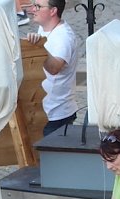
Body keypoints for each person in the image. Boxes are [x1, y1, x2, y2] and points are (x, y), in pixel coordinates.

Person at [25, 0, 79, 136]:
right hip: (43, 110)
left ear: (53, 11)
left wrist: (39, 48)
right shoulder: (44, 28)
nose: (33, 9)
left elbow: (54, 68)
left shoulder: (64, 37)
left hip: (57, 114)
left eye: (38, 6)